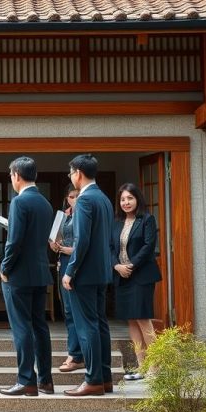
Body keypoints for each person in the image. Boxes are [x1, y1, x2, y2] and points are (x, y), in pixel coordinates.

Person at [0, 156, 55, 396]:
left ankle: (26, 380)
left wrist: (5, 267)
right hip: (40, 271)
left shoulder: (19, 202)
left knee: (21, 327)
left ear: (17, 176)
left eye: (11, 175)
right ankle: (46, 380)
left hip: (19, 274)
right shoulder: (45, 203)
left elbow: (15, 241)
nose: (12, 179)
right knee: (40, 326)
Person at [61, 154, 115, 397]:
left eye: (71, 172)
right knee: (100, 325)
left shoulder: (84, 200)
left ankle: (93, 380)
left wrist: (70, 271)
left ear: (79, 173)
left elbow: (81, 240)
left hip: (84, 274)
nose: (71, 176)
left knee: (86, 327)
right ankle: (105, 378)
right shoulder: (103, 198)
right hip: (101, 272)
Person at [111, 183, 163, 380]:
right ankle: (142, 366)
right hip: (122, 276)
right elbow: (110, 248)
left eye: (130, 198)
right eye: (123, 199)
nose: (126, 202)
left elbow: (149, 246)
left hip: (141, 276)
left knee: (143, 318)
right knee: (131, 320)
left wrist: (130, 266)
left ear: (137, 199)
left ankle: (155, 367)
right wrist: (117, 266)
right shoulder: (116, 222)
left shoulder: (147, 219)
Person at [50, 184, 84, 374]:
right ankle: (74, 353)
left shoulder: (84, 214)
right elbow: (53, 239)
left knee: (79, 311)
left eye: (77, 195)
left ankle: (77, 355)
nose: (75, 199)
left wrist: (71, 250)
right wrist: (55, 245)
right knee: (68, 311)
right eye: (71, 196)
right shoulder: (63, 215)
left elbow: (86, 243)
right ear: (66, 198)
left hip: (79, 263)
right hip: (63, 261)